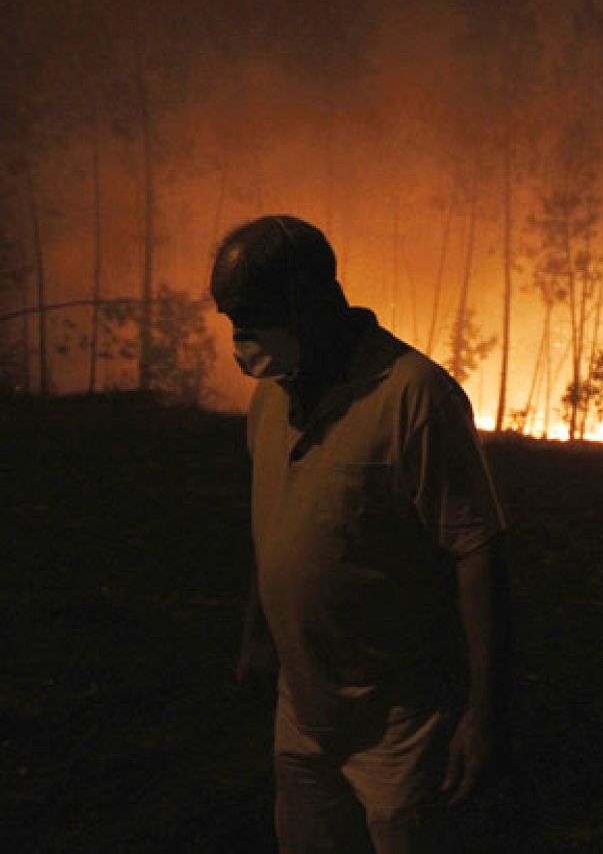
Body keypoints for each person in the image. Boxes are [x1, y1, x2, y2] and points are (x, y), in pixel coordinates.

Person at [212, 215, 512, 854]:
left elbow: (475, 550)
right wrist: (257, 633)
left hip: (401, 728)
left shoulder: (414, 396)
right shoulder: (271, 397)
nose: (240, 337)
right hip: (303, 714)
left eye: (251, 315)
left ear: (309, 302)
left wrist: (484, 712)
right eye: (230, 317)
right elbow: (276, 524)